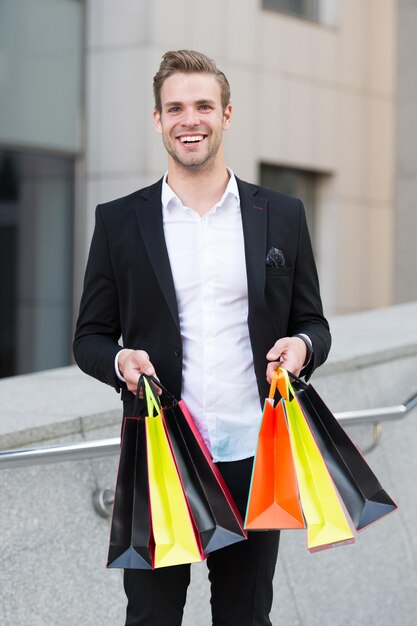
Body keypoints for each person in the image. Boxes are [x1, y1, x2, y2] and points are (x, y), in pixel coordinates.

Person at [73, 49, 331, 626]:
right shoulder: (120, 221)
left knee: (245, 618)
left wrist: (304, 348)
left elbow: (313, 323)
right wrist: (120, 361)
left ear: (227, 115)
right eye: (176, 107)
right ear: (158, 120)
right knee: (151, 619)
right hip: (162, 460)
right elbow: (88, 337)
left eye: (204, 106)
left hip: (252, 455)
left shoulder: (282, 214)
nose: (191, 118)